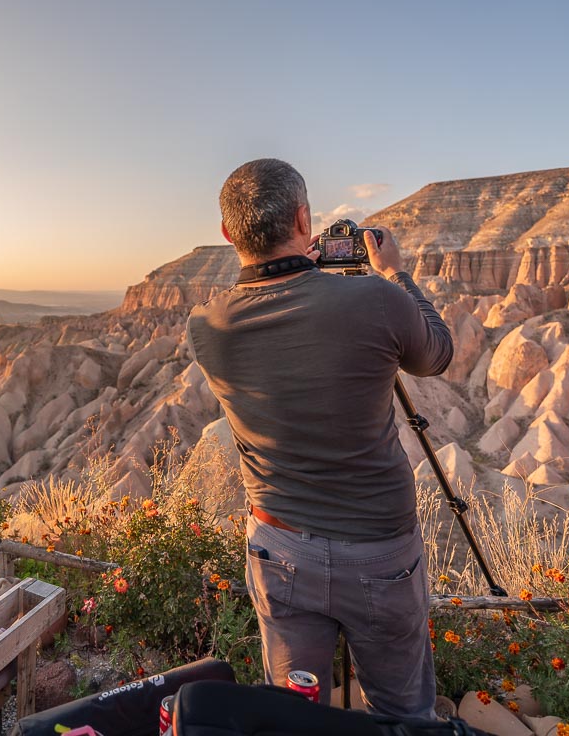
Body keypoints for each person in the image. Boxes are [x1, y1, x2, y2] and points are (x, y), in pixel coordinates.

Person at [187, 159, 453, 720]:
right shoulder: (375, 301)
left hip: (279, 550)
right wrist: (393, 273)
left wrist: (295, 270)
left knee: (292, 716)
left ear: (228, 233)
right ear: (305, 218)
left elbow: (281, 319)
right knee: (403, 713)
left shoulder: (206, 324)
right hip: (380, 551)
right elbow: (437, 355)